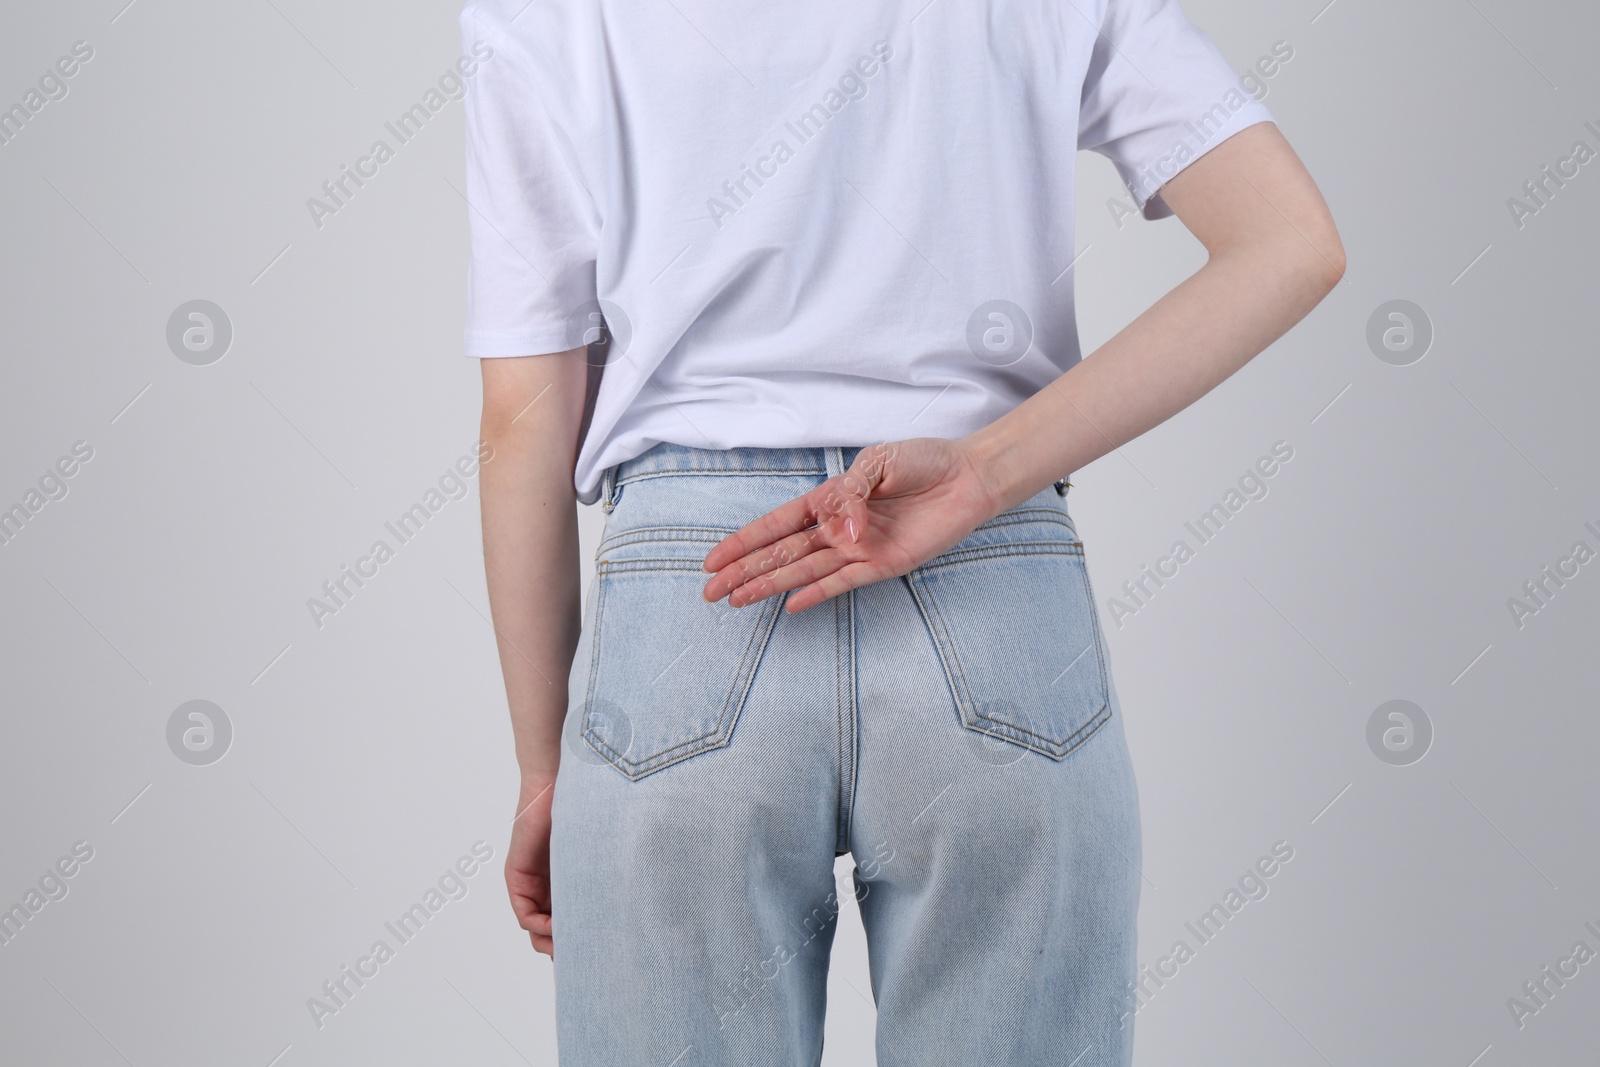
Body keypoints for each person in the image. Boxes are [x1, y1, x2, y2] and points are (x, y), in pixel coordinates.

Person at [461, 0, 1343, 1061]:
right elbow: (1291, 243)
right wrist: (983, 471)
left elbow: (522, 415)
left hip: (691, 603)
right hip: (992, 591)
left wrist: (543, 762)